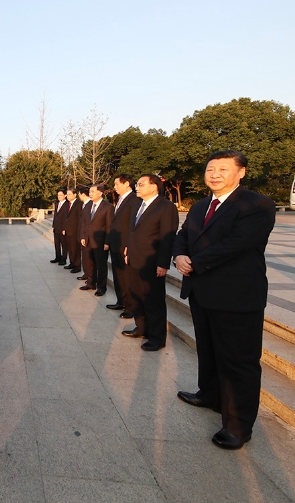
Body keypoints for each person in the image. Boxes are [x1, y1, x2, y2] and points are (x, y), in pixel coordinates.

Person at [173, 150, 276, 450]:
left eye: (222, 169)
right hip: (201, 292)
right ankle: (210, 394)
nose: (215, 174)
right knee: (208, 350)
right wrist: (179, 255)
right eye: (210, 169)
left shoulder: (257, 204)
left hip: (237, 296)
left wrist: (194, 262)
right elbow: (183, 235)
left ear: (241, 172)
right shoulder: (200, 206)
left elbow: (237, 244)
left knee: (238, 361)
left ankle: (238, 426)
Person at [122, 174, 179, 351]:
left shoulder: (166, 207)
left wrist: (163, 263)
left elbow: (168, 237)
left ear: (154, 186)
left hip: (152, 261)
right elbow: (132, 230)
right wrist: (128, 248)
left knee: (153, 301)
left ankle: (157, 337)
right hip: (134, 258)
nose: (137, 187)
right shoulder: (138, 205)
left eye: (141, 184)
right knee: (136, 296)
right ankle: (141, 328)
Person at [107, 174, 140, 318]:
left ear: (127, 184)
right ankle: (121, 300)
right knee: (118, 274)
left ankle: (131, 307)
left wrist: (128, 244)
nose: (114, 187)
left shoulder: (134, 199)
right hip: (116, 243)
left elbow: (133, 225)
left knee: (127, 277)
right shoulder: (120, 199)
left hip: (125, 245)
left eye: (117, 184)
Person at [79, 184, 112, 296]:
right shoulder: (87, 206)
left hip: (100, 242)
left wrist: (107, 242)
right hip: (88, 240)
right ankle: (90, 283)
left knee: (101, 266)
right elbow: (84, 223)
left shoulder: (108, 207)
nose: (90, 194)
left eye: (93, 192)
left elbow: (109, 226)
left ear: (100, 193)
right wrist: (83, 236)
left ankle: (101, 287)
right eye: (90, 192)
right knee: (89, 264)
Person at [61, 188, 82, 273]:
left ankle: (77, 265)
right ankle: (72, 263)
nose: (68, 196)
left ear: (75, 195)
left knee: (75, 249)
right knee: (70, 248)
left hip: (75, 230)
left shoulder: (79, 204)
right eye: (67, 194)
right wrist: (64, 228)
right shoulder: (68, 204)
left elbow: (80, 219)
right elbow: (66, 218)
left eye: (70, 194)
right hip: (68, 230)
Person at [76, 187, 92, 279]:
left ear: (83, 194)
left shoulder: (90, 205)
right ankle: (86, 274)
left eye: (79, 194)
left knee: (88, 258)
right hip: (83, 235)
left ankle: (89, 275)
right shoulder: (84, 204)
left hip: (88, 236)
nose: (79, 196)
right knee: (85, 257)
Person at [50, 189, 69, 265]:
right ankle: (57, 257)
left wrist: (65, 228)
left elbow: (67, 218)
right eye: (58, 195)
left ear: (65, 195)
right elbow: (55, 216)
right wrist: (53, 225)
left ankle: (63, 259)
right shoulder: (57, 204)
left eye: (61, 195)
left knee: (64, 244)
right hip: (56, 227)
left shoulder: (67, 205)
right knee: (57, 244)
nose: (59, 197)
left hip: (63, 228)